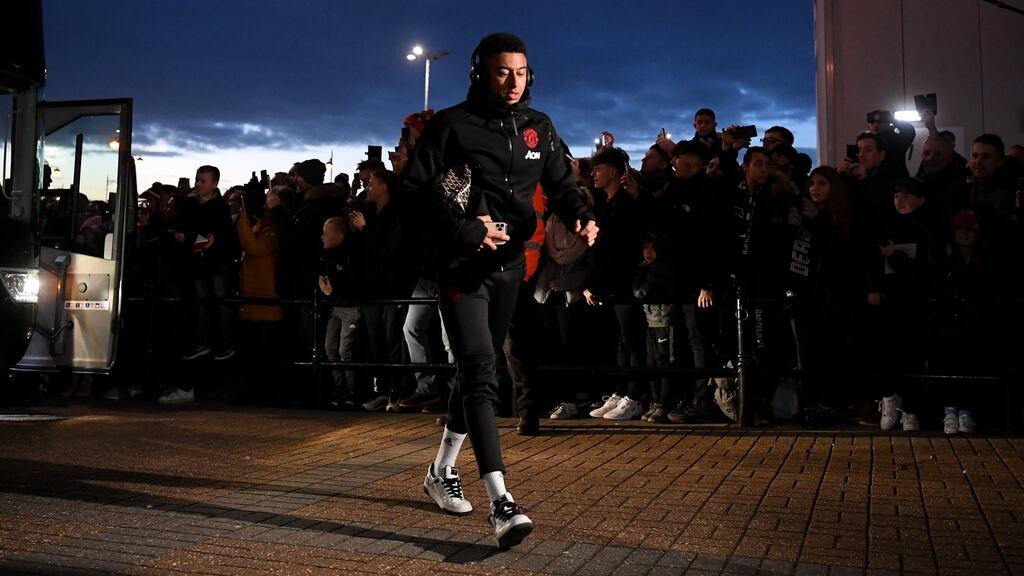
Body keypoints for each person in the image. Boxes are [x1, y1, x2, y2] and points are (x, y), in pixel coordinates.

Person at [402, 32, 597, 549]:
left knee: (476, 373)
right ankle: (502, 502)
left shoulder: (539, 126)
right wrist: (468, 230)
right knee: (482, 374)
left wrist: (581, 217)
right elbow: (412, 193)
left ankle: (440, 470)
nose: (514, 82)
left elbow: (560, 183)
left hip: (510, 266)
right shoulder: (451, 125)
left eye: (522, 71)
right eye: (502, 72)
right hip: (461, 266)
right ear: (480, 73)